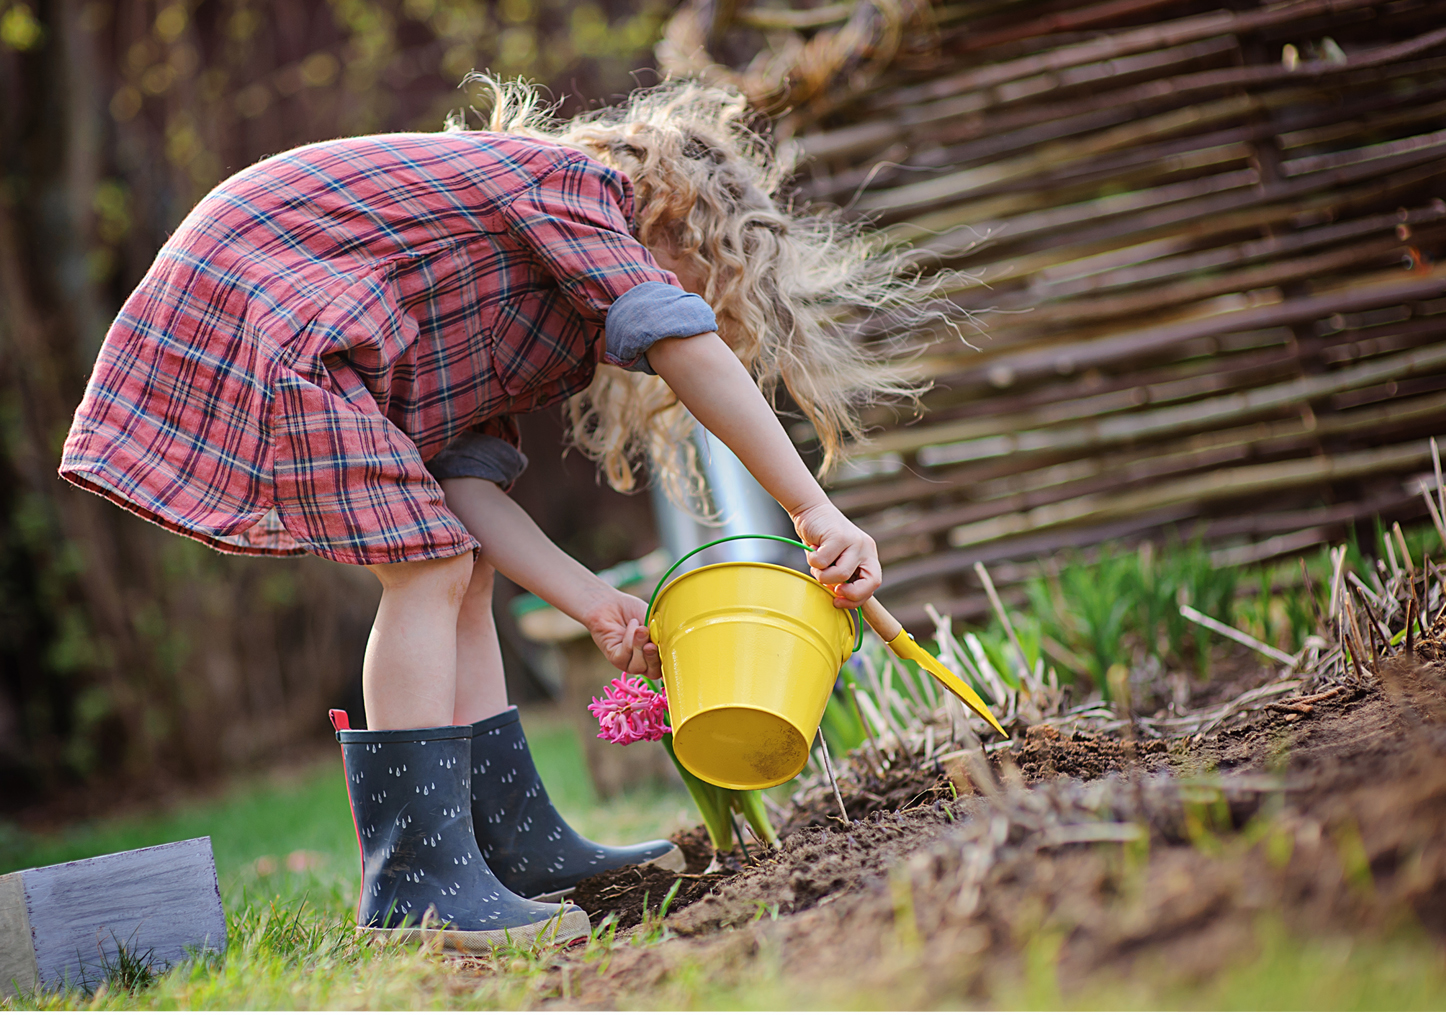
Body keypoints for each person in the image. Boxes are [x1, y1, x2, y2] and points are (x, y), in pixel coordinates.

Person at [59, 78, 935, 952]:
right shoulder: (575, 189)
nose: (691, 316)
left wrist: (593, 600)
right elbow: (682, 342)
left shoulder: (512, 288)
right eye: (699, 288)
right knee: (427, 568)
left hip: (291, 307)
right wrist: (812, 507)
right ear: (676, 221)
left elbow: (466, 494)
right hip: (259, 296)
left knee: (456, 560)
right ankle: (415, 885)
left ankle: (515, 846)